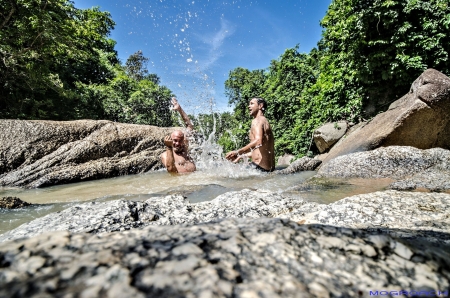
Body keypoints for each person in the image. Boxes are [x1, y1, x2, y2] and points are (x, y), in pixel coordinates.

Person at [225, 97, 275, 172]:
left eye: (252, 104)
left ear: (260, 106)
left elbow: (258, 141)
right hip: (269, 169)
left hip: (259, 168)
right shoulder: (265, 121)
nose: (249, 106)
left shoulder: (257, 120)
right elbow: (259, 150)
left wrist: (237, 152)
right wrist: (241, 156)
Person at [160, 98, 196, 174]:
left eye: (180, 141)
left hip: (195, 181)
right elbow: (171, 170)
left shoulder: (184, 147)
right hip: (181, 184)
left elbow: (189, 126)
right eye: (175, 140)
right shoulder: (165, 155)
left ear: (183, 140)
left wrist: (180, 109)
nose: (177, 143)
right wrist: (169, 147)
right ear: (170, 140)